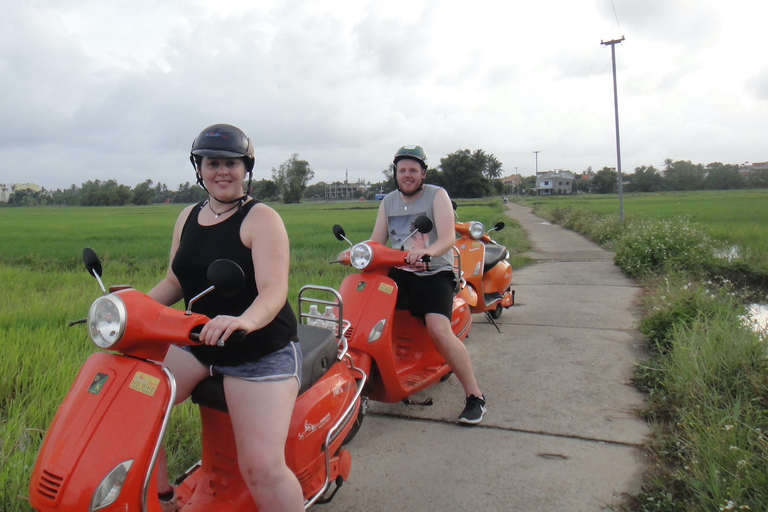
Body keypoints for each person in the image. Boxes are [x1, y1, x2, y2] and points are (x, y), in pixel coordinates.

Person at [147, 124, 304, 512]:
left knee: (262, 468)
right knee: (139, 409)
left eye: (231, 163)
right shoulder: (188, 216)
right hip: (200, 341)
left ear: (246, 168)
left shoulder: (261, 218)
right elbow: (174, 280)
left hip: (259, 350)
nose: (222, 171)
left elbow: (273, 291)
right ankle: (163, 496)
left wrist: (245, 322)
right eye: (212, 162)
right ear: (198, 167)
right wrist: (133, 308)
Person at [371, 144, 486, 424]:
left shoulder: (437, 195)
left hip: (434, 271)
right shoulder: (388, 201)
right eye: (402, 170)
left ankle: (475, 396)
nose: (407, 175)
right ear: (395, 174)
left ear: (423, 173)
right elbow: (377, 240)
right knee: (364, 316)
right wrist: (357, 252)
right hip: (400, 271)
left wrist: (429, 252)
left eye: (413, 170)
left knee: (438, 329)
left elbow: (447, 237)